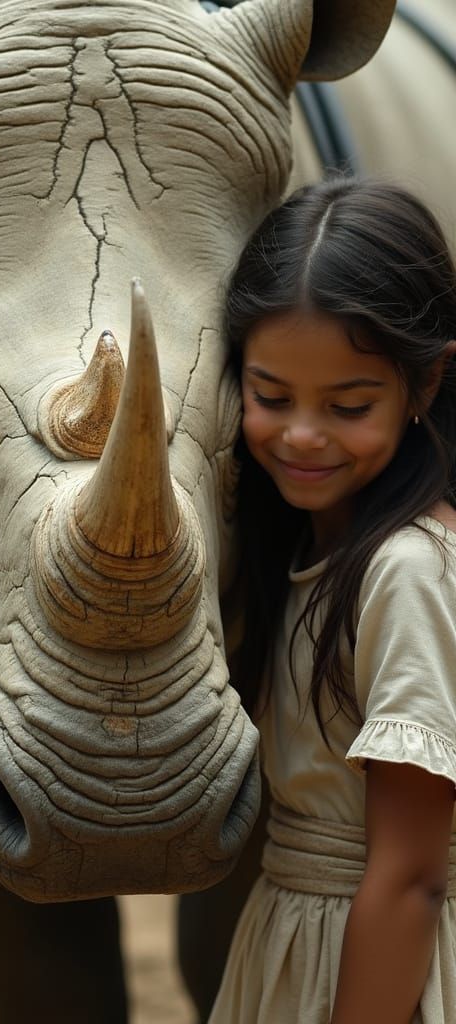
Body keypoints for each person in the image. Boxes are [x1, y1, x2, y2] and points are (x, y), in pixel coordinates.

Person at [208, 177, 456, 1024]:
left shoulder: (406, 573)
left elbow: (412, 875)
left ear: (425, 384)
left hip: (369, 965)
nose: (303, 434)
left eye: (349, 405)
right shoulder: (314, 549)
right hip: (296, 936)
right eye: (270, 397)